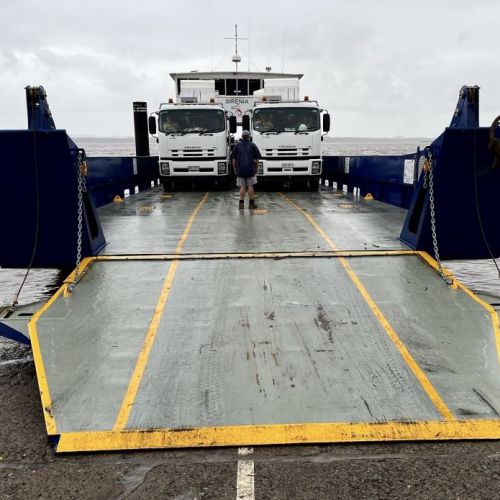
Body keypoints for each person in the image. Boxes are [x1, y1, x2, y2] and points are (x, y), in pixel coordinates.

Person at [232, 130, 261, 209]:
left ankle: (241, 204)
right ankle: (251, 204)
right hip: (250, 169)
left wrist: (235, 168)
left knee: (242, 187)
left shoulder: (237, 146)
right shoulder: (253, 145)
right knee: (250, 186)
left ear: (242, 136)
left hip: (240, 169)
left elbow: (234, 159)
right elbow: (257, 159)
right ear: (249, 137)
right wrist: (257, 168)